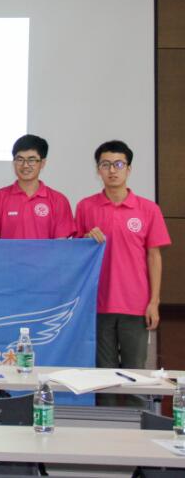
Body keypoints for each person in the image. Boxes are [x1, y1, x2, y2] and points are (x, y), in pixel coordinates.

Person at [75, 140, 170, 383]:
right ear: (98, 170)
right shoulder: (86, 207)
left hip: (135, 304)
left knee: (135, 374)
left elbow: (154, 256)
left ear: (129, 169)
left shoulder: (148, 209)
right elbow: (75, 254)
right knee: (102, 377)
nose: (112, 170)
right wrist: (85, 239)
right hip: (97, 304)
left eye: (118, 164)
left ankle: (136, 410)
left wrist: (154, 302)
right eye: (105, 164)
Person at [0, 134, 75, 240]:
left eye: (31, 160)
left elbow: (61, 246)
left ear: (42, 163)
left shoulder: (59, 201)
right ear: (13, 162)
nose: (25, 165)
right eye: (20, 159)